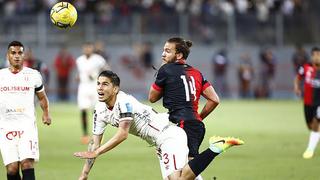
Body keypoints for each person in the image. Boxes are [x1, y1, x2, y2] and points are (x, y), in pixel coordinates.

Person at [74, 70, 244, 180]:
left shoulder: (124, 101)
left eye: (105, 84)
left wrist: (96, 151)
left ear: (116, 88)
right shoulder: (99, 110)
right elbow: (94, 144)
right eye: (98, 83)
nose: (99, 87)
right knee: (183, 176)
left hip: (169, 134)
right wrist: (84, 175)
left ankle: (214, 148)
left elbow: (122, 134)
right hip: (160, 143)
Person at [148, 37, 220, 180]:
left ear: (179, 55)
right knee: (185, 171)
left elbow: (152, 98)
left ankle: (214, 149)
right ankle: (214, 150)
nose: (163, 54)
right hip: (195, 126)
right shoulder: (197, 73)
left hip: (180, 126)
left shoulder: (166, 70)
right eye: (163, 50)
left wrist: (166, 80)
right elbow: (214, 99)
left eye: (167, 51)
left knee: (180, 176)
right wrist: (198, 117)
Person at [0, 41, 52, 180]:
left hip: (27, 126)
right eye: (13, 53)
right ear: (8, 55)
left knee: (27, 164)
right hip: (5, 127)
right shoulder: (1, 76)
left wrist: (46, 113)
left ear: (24, 56)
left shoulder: (33, 75)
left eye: (20, 53)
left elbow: (42, 97)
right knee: (12, 169)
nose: (17, 56)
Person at [76, 42, 110, 144]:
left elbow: (107, 69)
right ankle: (85, 135)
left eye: (89, 48)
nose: (87, 50)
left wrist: (100, 77)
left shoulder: (98, 59)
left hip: (95, 86)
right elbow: (80, 73)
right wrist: (77, 77)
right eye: (85, 48)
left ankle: (98, 135)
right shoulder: (79, 60)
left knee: (97, 111)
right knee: (83, 110)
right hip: (83, 86)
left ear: (92, 49)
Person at [294, 47, 320, 159]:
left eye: (318, 55)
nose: (317, 57)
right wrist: (296, 88)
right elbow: (298, 78)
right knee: (310, 127)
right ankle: (314, 140)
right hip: (308, 102)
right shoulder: (306, 67)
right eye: (314, 55)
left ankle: (309, 150)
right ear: (311, 56)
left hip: (319, 103)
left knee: (315, 123)